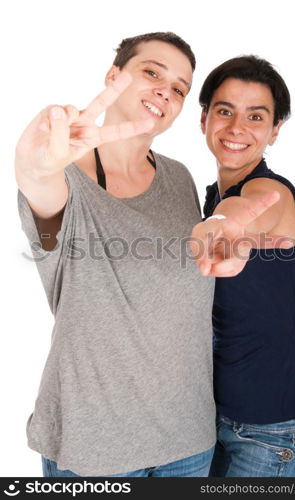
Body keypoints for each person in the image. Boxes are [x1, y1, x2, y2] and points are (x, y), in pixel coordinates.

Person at [15, 32, 280, 477]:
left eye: (179, 88)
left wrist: (224, 230)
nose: (165, 90)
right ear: (114, 76)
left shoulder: (178, 178)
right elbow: (40, 186)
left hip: (189, 441)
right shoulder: (65, 178)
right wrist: (35, 165)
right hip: (95, 446)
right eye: (152, 72)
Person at [191, 55, 295, 477]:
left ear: (275, 131)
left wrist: (222, 225)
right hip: (210, 423)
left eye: (256, 116)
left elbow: (249, 210)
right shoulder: (211, 192)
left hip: (275, 435)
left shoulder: (273, 191)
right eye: (225, 111)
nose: (236, 128)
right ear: (204, 119)